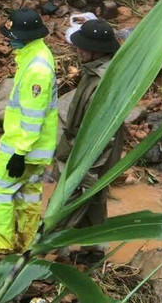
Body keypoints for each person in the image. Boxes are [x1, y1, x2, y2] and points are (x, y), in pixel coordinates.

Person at [0, 9, 57, 257]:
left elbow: (33, 117)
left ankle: (0, 245)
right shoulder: (37, 55)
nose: (8, 41)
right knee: (28, 195)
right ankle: (28, 244)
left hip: (23, 147)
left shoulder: (37, 69)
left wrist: (19, 153)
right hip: (36, 148)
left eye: (12, 36)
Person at [54, 19, 122, 258]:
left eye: (83, 47)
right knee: (92, 202)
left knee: (69, 200)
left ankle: (57, 250)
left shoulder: (104, 82)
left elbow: (106, 133)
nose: (78, 50)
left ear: (98, 50)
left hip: (92, 155)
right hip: (79, 147)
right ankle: (94, 248)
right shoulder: (92, 70)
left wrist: (89, 168)